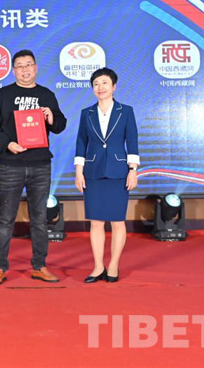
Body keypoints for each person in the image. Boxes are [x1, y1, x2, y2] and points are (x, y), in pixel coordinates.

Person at [0, 49, 67, 285]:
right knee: (5, 218)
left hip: (40, 164)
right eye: (20, 66)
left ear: (36, 68)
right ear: (13, 71)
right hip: (11, 164)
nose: (25, 69)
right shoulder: (2, 95)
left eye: (29, 64)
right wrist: (8, 144)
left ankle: (40, 266)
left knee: (39, 219)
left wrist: (51, 117)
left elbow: (60, 125)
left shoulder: (46, 94)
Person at [74, 67, 139, 284]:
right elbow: (81, 142)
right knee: (96, 222)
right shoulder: (86, 113)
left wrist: (133, 170)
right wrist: (79, 171)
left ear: (114, 86)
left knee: (118, 221)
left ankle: (113, 265)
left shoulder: (126, 111)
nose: (100, 87)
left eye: (104, 83)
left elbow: (132, 141)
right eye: (96, 84)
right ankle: (98, 266)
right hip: (92, 172)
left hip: (118, 172)